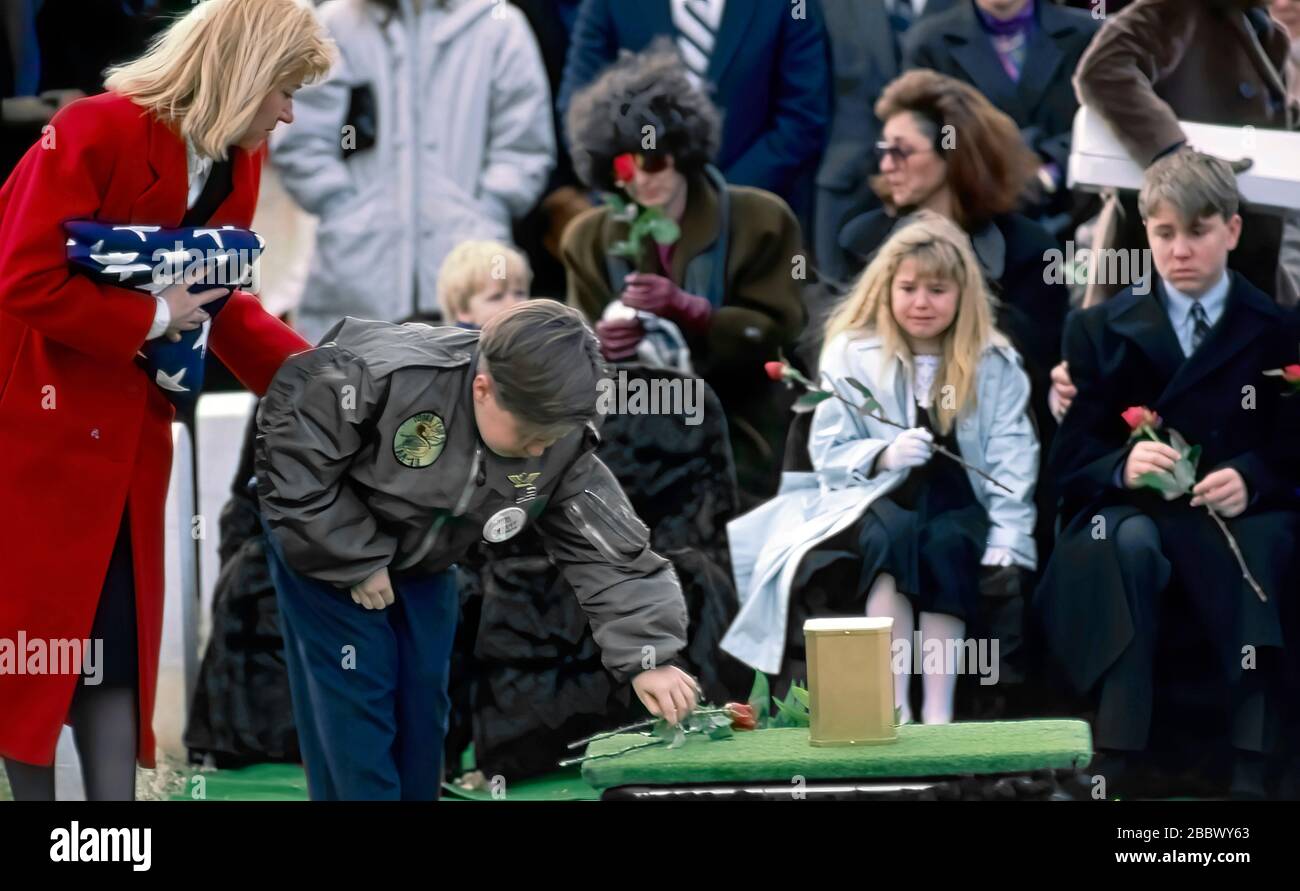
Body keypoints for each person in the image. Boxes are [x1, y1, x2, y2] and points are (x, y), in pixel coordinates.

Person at [0, 0, 330, 800]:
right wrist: (152, 314)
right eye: (283, 90)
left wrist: (321, 377)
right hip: (35, 427)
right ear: (242, 75)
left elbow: (218, 303)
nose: (289, 113)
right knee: (38, 652)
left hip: (129, 430)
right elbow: (22, 275)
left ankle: (113, 833)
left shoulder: (236, 161)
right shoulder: (90, 131)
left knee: (114, 636)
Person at [255, 300, 698, 800]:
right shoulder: (386, 373)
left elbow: (610, 552)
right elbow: (293, 456)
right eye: (530, 435)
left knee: (424, 707)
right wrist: (355, 557)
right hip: (327, 545)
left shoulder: (560, 441)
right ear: (482, 389)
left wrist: (650, 657)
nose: (538, 451)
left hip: (427, 560)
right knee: (358, 704)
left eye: (551, 439)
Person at [1034, 150, 1300, 799]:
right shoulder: (1098, 328)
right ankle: (1119, 742)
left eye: (1199, 230)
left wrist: (1253, 476)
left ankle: (1253, 755)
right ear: (1146, 234)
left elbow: (1293, 447)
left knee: (1266, 543)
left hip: (1240, 513)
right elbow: (1068, 461)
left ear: (1232, 231)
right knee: (1124, 543)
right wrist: (1121, 464)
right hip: (1132, 513)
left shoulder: (1278, 331)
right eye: (1164, 233)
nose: (1181, 249)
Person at [724, 214, 1039, 723]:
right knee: (893, 539)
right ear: (885, 289)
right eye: (908, 288)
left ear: (963, 295)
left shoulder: (993, 361)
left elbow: (1012, 454)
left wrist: (1009, 532)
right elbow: (827, 446)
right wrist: (882, 454)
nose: (921, 302)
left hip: (958, 496)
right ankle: (894, 704)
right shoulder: (853, 349)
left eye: (937, 290)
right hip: (873, 496)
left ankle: (938, 708)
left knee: (947, 543)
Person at [561, 41, 805, 500]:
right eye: (623, 164)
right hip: (631, 441)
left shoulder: (762, 219)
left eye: (653, 159)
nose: (641, 177)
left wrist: (696, 314)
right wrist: (599, 344)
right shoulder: (587, 239)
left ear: (684, 151)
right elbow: (577, 362)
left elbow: (782, 335)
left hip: (742, 430)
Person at [271, 0, 555, 342]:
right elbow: (301, 139)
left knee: (471, 388)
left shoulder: (499, 24)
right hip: (357, 277)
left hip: (471, 276)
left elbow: (523, 144)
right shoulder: (332, 24)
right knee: (353, 388)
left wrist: (485, 212)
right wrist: (343, 208)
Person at [555, 0, 830, 228]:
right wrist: (638, 182)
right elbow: (578, 108)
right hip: (638, 219)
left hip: (752, 222)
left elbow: (803, 115)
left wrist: (717, 196)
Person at [902, 0, 1099, 235]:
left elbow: (1107, 120)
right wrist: (988, 172)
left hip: (1076, 221)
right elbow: (932, 133)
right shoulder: (928, 44)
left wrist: (1050, 170)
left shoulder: (1090, 34)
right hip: (972, 222)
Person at [815, 0, 959, 285]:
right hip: (846, 187)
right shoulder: (823, 5)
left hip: (944, 189)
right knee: (835, 309)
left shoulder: (971, 8)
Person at [437, 240, 531, 329]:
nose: (514, 304)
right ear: (463, 309)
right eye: (497, 297)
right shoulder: (460, 345)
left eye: (519, 293)